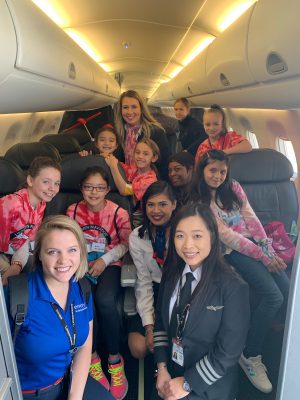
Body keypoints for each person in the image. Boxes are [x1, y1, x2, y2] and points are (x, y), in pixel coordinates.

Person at [190, 149, 289, 394]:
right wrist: (263, 257)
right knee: (273, 296)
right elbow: (228, 237)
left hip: (255, 246)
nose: (218, 176)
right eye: (213, 170)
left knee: (287, 289)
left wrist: (267, 248)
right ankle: (250, 353)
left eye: (222, 171)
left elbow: (250, 217)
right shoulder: (201, 201)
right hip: (230, 251)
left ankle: (266, 328)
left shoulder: (233, 187)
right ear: (202, 170)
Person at [7, 215, 114, 400]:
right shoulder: (16, 297)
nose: (64, 260)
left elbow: (84, 346)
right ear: (39, 254)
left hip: (67, 382)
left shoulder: (82, 288)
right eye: (53, 252)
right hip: (26, 394)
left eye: (72, 250)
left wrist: (75, 397)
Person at [152, 203, 250, 400]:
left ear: (212, 237)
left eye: (197, 236)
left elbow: (228, 352)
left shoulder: (233, 287)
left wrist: (188, 383)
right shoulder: (171, 274)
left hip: (209, 386)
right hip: (171, 375)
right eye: (180, 236)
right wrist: (161, 367)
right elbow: (161, 324)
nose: (188, 245)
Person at [66, 166, 131, 400]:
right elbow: (69, 239)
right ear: (81, 188)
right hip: (81, 263)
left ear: (108, 189)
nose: (94, 192)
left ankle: (115, 360)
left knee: (104, 300)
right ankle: (91, 358)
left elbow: (126, 243)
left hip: (109, 263)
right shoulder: (72, 211)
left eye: (100, 188)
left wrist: (104, 260)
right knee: (83, 303)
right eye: (88, 187)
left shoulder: (118, 213)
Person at [128, 181, 177, 359]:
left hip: (179, 289)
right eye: (150, 205)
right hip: (155, 287)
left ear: (174, 204)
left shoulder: (183, 234)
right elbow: (144, 280)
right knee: (138, 347)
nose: (156, 211)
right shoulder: (137, 236)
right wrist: (149, 327)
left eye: (162, 204)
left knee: (173, 345)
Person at [0, 156, 61, 286]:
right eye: (46, 182)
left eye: (57, 183)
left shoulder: (41, 205)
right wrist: (7, 269)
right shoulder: (11, 204)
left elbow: (25, 239)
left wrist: (17, 265)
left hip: (11, 253)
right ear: (30, 180)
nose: (52, 188)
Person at [114, 89, 169, 178]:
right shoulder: (120, 133)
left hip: (150, 183)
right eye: (125, 107)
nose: (129, 112)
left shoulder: (156, 132)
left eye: (134, 107)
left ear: (141, 109)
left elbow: (164, 165)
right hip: (126, 181)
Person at [105, 138, 159, 227]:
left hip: (139, 218)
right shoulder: (135, 168)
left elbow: (124, 190)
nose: (140, 156)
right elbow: (123, 168)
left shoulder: (150, 180)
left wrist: (113, 166)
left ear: (154, 158)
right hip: (129, 208)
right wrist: (109, 157)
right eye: (137, 152)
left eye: (145, 154)